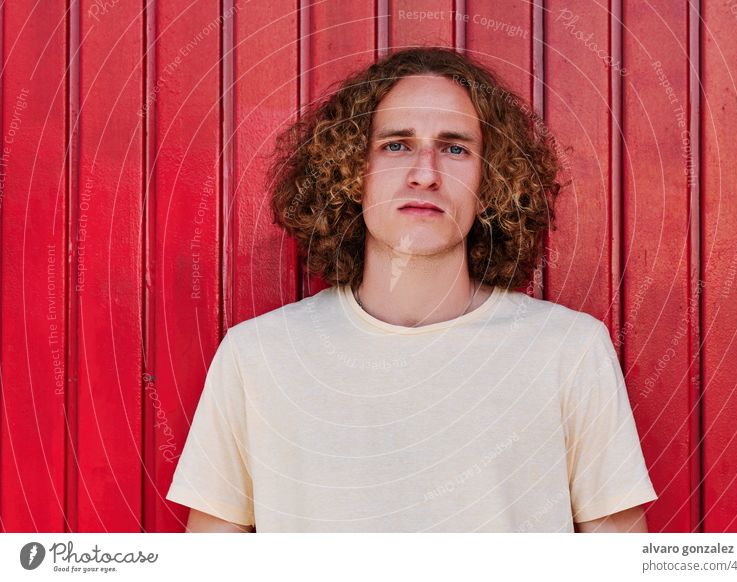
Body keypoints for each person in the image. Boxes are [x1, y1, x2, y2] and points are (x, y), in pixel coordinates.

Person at [165, 47, 657, 533]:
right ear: (352, 172)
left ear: (491, 182)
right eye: (396, 144)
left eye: (455, 148)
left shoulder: (568, 351)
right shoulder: (258, 356)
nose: (425, 173)